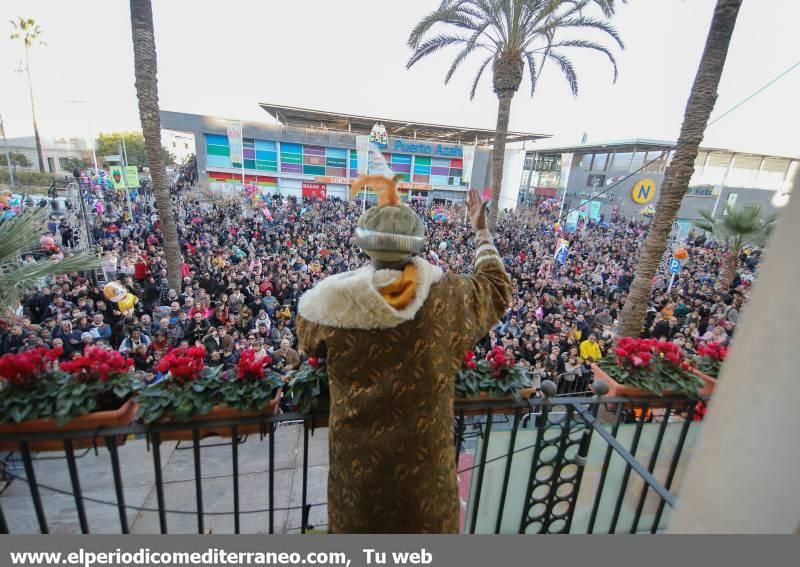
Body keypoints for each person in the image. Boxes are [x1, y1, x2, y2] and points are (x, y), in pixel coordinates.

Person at [297, 180, 512, 534]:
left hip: (358, 467)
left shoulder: (326, 302)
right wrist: (481, 231)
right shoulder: (450, 296)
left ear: (364, 243)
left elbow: (309, 343)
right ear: (418, 244)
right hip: (425, 465)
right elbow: (497, 287)